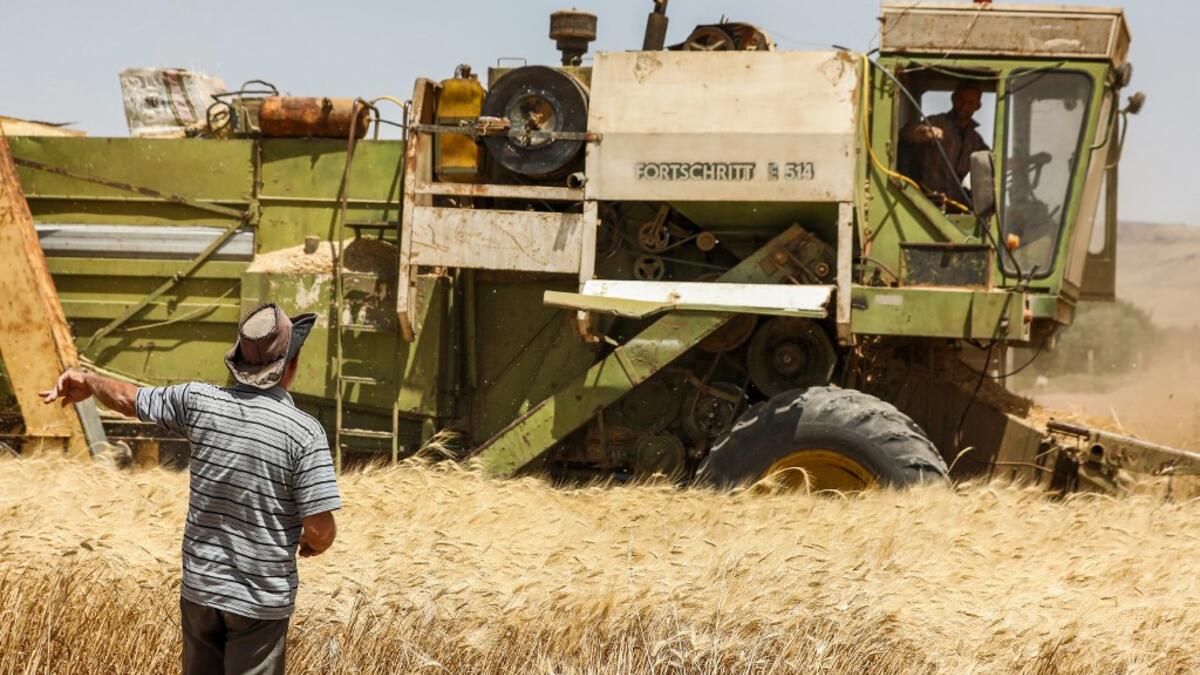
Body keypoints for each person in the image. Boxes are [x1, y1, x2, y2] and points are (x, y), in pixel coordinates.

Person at [40, 304, 341, 675]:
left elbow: (127, 399)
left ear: (241, 361)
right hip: (259, 602)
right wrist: (316, 542)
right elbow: (319, 529)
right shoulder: (304, 433)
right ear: (290, 366)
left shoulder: (198, 401)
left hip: (201, 591)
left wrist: (86, 380)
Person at [901, 81, 990, 209]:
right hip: (926, 204)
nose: (964, 106)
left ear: (978, 106)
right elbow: (906, 132)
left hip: (955, 206)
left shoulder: (975, 141)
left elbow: (989, 162)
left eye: (970, 103)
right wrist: (924, 131)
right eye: (961, 100)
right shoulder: (936, 122)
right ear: (953, 98)